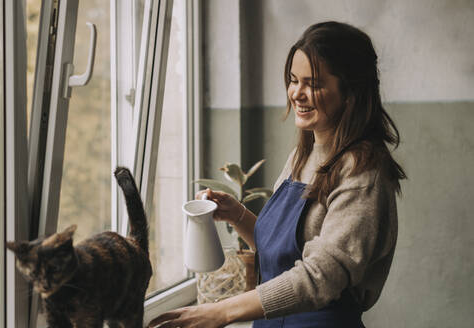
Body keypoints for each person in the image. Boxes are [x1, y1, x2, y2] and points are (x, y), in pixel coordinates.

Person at [149, 21, 406, 328]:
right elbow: (285, 257)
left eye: (313, 84)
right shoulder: (302, 156)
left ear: (350, 93)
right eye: (293, 80)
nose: (297, 93)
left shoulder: (363, 173)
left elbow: (322, 276)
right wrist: (239, 215)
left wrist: (222, 311)